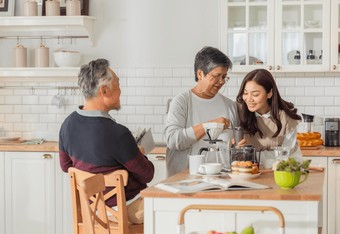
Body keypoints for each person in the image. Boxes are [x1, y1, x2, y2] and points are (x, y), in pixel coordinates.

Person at [59, 58, 154, 224]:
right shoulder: (118, 134)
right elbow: (147, 174)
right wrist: (140, 154)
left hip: (93, 212)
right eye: (117, 85)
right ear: (104, 91)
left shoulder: (67, 125)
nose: (120, 91)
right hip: (126, 211)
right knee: (169, 202)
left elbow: (66, 167)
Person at [165, 46, 238, 176]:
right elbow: (172, 139)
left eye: (224, 76)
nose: (221, 82)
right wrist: (210, 126)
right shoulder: (182, 102)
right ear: (200, 74)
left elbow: (234, 146)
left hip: (222, 181)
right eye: (216, 76)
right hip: (185, 183)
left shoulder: (229, 106)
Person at [235, 69, 302, 168]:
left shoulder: (287, 118)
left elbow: (285, 156)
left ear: (269, 93)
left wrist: (251, 151)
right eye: (245, 93)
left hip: (284, 171)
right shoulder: (239, 112)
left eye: (255, 94)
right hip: (249, 171)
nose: (248, 99)